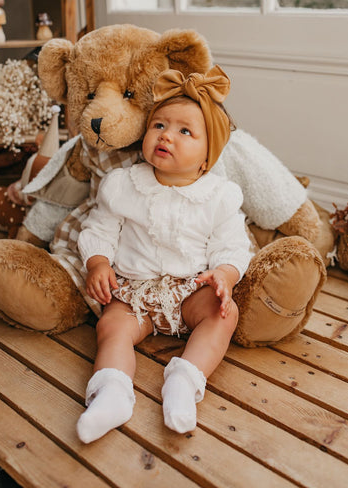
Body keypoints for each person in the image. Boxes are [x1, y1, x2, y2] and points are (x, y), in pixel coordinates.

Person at [76, 65, 254, 443]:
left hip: (191, 290)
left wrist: (224, 274)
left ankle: (185, 380)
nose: (167, 136)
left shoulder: (219, 196)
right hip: (134, 291)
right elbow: (99, 229)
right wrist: (98, 262)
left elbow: (233, 245)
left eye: (184, 131)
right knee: (111, 327)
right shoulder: (123, 185)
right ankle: (112, 393)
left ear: (208, 157)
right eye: (159, 125)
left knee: (224, 314)